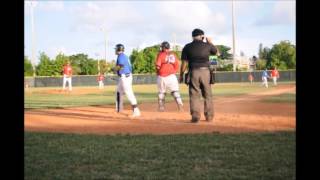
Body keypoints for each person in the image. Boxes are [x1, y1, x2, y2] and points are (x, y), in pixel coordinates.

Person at [179, 28, 218, 123]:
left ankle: (195, 116)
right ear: (202, 36)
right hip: (206, 72)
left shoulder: (187, 47)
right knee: (208, 95)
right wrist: (210, 42)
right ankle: (209, 117)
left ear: (192, 37)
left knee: (194, 95)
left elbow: (184, 63)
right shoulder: (208, 46)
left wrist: (181, 74)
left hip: (193, 72)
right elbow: (216, 53)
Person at [155, 41, 183, 112]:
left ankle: (161, 108)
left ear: (164, 47)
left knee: (161, 93)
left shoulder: (161, 54)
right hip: (172, 76)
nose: (161, 48)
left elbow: (158, 66)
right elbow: (177, 65)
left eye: (162, 47)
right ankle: (180, 106)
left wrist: (158, 73)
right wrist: (172, 71)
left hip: (162, 77)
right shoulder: (173, 55)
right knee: (175, 92)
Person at [114, 44, 141, 118]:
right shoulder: (124, 56)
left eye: (116, 49)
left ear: (119, 49)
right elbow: (129, 67)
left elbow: (121, 66)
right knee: (118, 92)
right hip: (125, 76)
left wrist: (114, 69)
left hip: (125, 77)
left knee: (129, 93)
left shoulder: (121, 56)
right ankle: (119, 109)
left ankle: (136, 110)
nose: (115, 50)